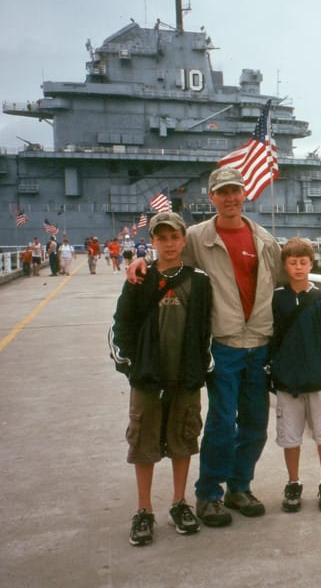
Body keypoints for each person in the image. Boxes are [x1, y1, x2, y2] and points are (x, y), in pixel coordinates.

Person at [126, 166, 284, 528]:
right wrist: (141, 261)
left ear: (245, 194)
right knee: (221, 422)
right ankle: (209, 493)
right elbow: (170, 256)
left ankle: (239, 487)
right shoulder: (196, 237)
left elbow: (284, 279)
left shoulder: (264, 239)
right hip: (223, 343)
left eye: (235, 191)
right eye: (222, 192)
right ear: (211, 197)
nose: (230, 198)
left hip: (259, 343)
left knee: (255, 425)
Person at [109, 211, 213, 546]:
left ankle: (179, 502)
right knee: (143, 443)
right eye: (161, 237)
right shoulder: (140, 279)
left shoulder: (199, 282)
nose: (169, 244)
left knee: (183, 440)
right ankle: (143, 509)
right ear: (152, 242)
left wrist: (202, 365)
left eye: (174, 237)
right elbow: (121, 324)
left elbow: (206, 329)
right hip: (148, 377)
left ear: (184, 240)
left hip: (185, 375)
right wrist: (131, 366)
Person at [270, 237, 321, 513]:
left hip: (317, 381)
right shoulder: (277, 299)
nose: (298, 267)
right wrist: (273, 370)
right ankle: (293, 482)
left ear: (311, 264)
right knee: (290, 437)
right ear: (285, 265)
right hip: (287, 382)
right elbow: (271, 336)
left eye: (303, 262)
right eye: (292, 262)